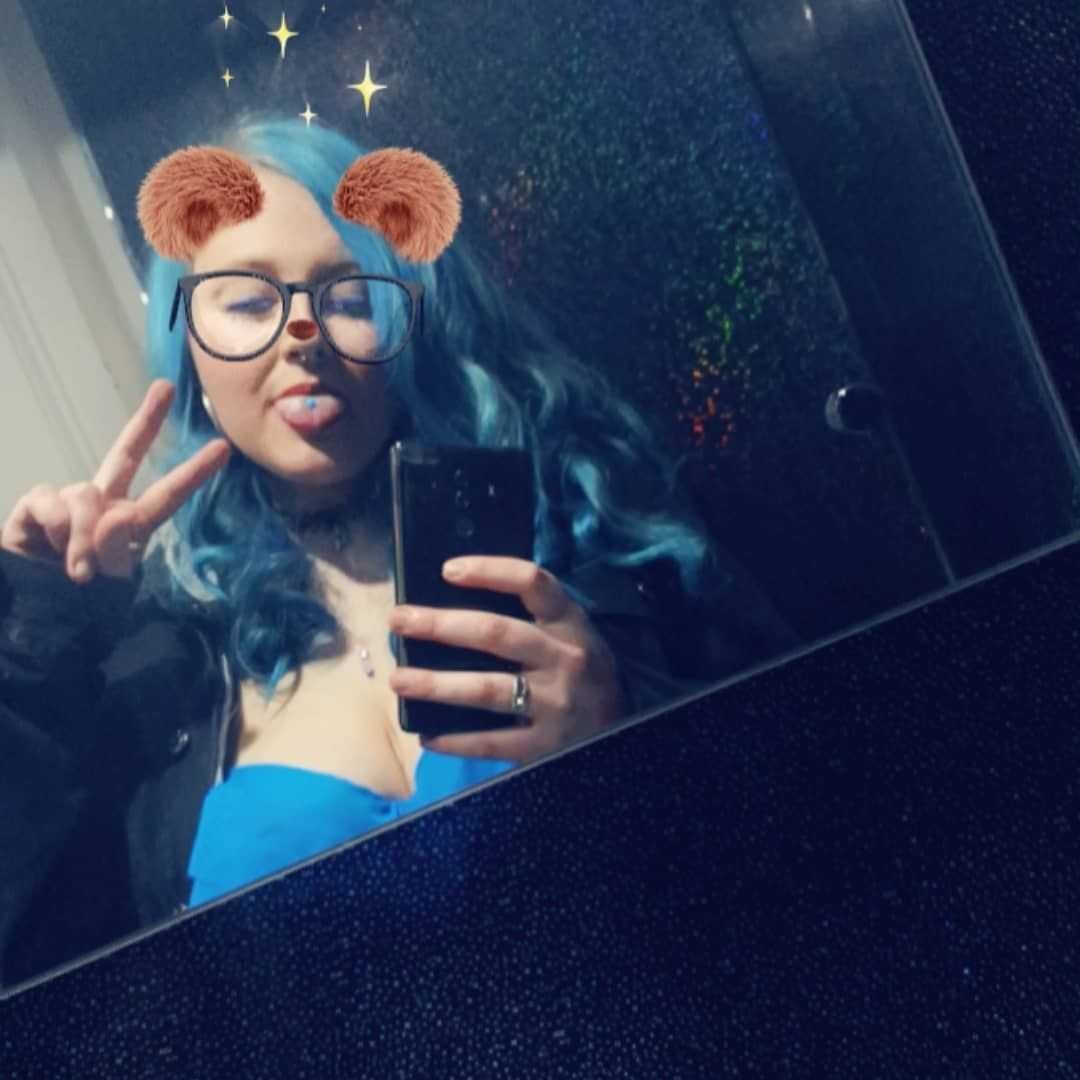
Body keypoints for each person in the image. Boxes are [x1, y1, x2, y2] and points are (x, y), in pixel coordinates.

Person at [0, 118, 795, 987]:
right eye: (249, 301)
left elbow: (828, 815)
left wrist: (631, 730)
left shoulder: (596, 530)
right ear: (189, 345)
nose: (303, 332)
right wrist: (40, 634)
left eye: (347, 296)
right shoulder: (148, 656)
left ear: (408, 320)